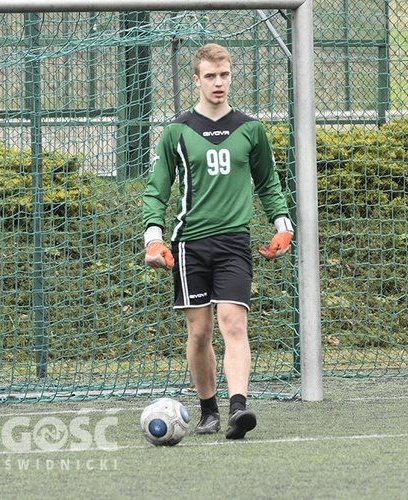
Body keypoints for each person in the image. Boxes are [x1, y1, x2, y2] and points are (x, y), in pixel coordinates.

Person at [142, 43, 294, 439]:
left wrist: (283, 225)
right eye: (210, 76)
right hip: (190, 244)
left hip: (234, 243)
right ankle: (208, 410)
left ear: (231, 75)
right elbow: (156, 190)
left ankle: (238, 409)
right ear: (196, 79)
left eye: (224, 74)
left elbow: (268, 183)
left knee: (234, 323)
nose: (218, 82)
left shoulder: (251, 129)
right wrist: (153, 239)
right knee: (200, 332)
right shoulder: (177, 130)